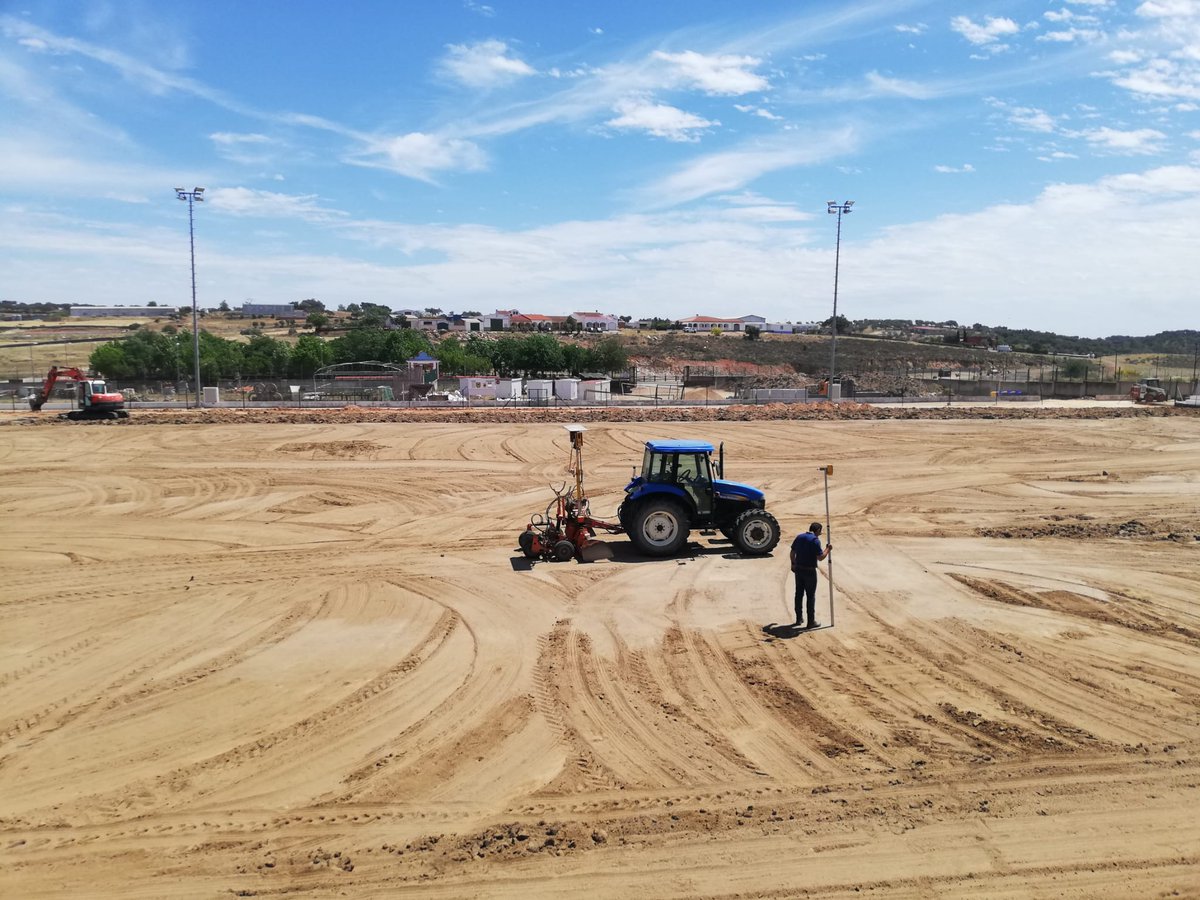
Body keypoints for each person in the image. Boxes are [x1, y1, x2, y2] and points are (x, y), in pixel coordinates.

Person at [790, 522, 831, 629]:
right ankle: (810, 622)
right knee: (810, 596)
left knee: (798, 594)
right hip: (809, 572)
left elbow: (792, 552)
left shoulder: (799, 537)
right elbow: (820, 557)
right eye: (820, 532)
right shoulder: (815, 541)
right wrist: (828, 549)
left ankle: (799, 619)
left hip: (798, 570)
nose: (819, 534)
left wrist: (793, 564)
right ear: (817, 530)